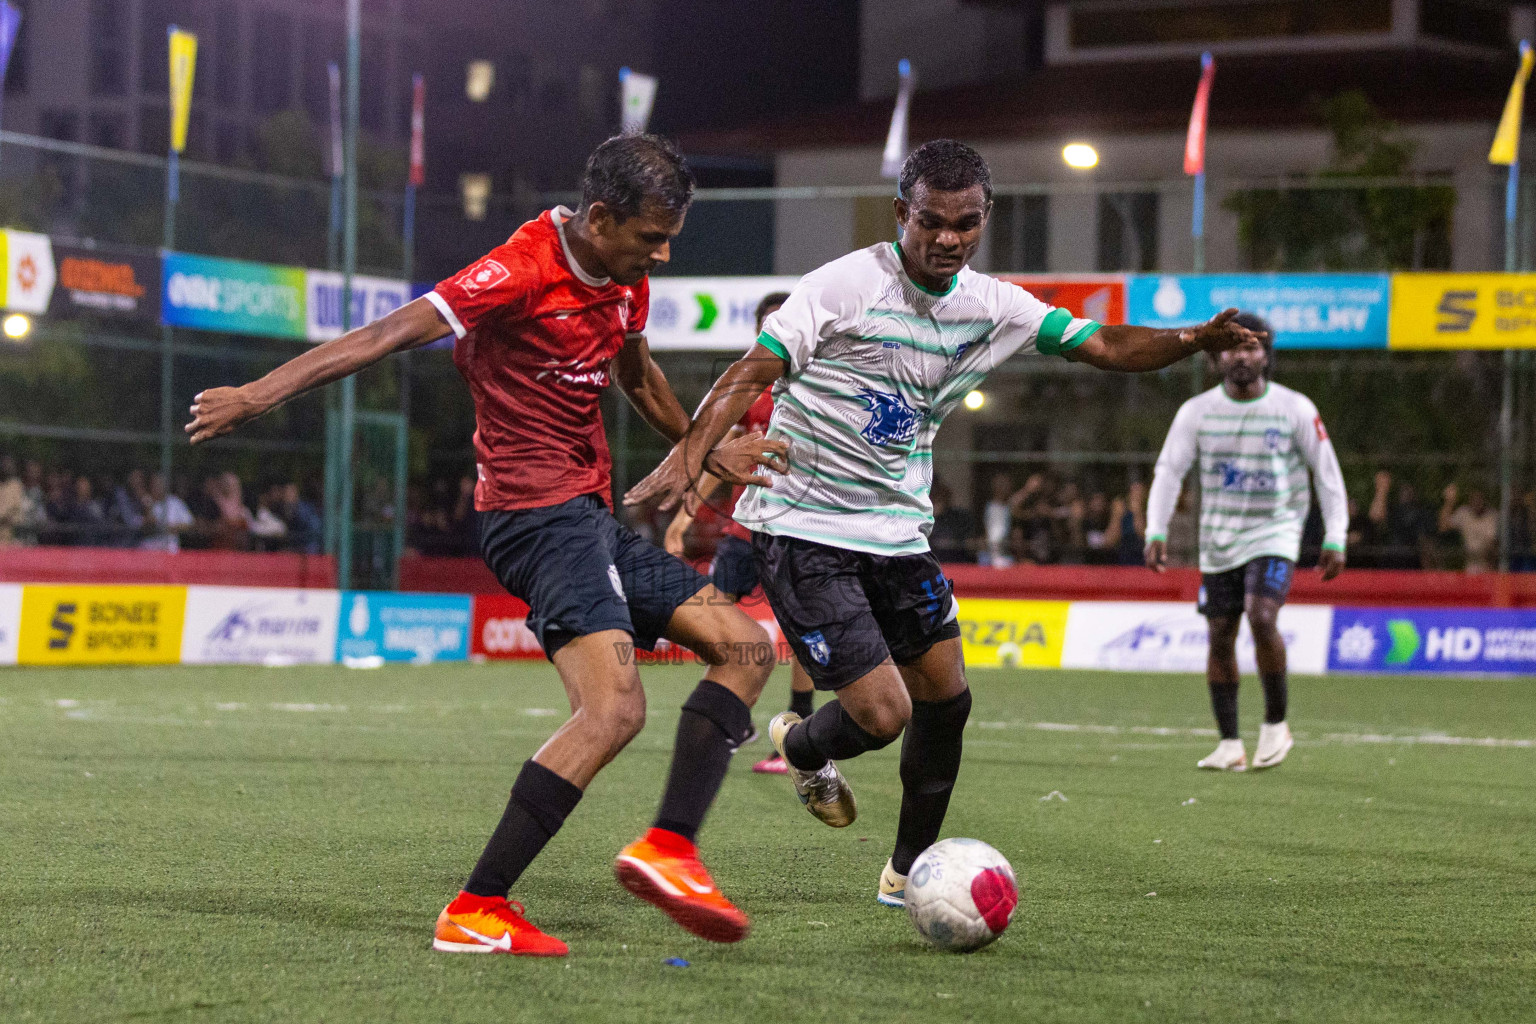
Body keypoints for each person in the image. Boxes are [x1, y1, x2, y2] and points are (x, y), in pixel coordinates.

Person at [185, 134, 787, 957]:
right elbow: (385, 335)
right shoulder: (520, 270)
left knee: (746, 648)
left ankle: (670, 846)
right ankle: (477, 907)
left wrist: (695, 449)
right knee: (613, 710)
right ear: (601, 216)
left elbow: (637, 374)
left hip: (588, 517)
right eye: (651, 235)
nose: (664, 252)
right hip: (535, 517)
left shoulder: (624, 277)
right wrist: (257, 395)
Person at [626, 139, 1261, 909]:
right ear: (903, 213)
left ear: (984, 219)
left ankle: (908, 874)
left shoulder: (995, 306)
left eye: (965, 222)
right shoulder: (845, 285)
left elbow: (1103, 343)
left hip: (899, 536)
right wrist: (694, 451)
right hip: (806, 529)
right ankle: (802, 744)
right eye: (931, 220)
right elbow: (750, 373)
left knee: (948, 700)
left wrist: (1192, 339)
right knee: (884, 715)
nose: (947, 238)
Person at [1145, 312, 1347, 773]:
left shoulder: (1295, 409)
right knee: (1219, 635)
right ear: (1217, 358)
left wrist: (1335, 535)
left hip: (1276, 531)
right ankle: (1230, 743)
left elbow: (1327, 475)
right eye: (1234, 347)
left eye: (1253, 347)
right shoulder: (1196, 413)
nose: (1243, 356)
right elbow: (1169, 472)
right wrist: (1155, 529)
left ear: (1266, 357)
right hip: (1218, 540)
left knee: (1261, 614)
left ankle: (1276, 723)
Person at [661, 291, 816, 775]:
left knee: (802, 631)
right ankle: (735, 714)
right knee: (708, 618)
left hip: (798, 529)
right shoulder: (748, 391)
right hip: (743, 527)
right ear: (757, 332)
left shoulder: (816, 387)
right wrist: (687, 512)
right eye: (767, 324)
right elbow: (720, 455)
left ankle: (798, 736)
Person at [1438, 484, 1498, 574]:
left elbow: (1492, 543)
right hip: (1470, 564)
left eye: (1479, 498)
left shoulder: (1492, 515)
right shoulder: (1464, 513)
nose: (1477, 502)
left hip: (1488, 564)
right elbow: (1443, 526)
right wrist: (1449, 502)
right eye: (1474, 498)